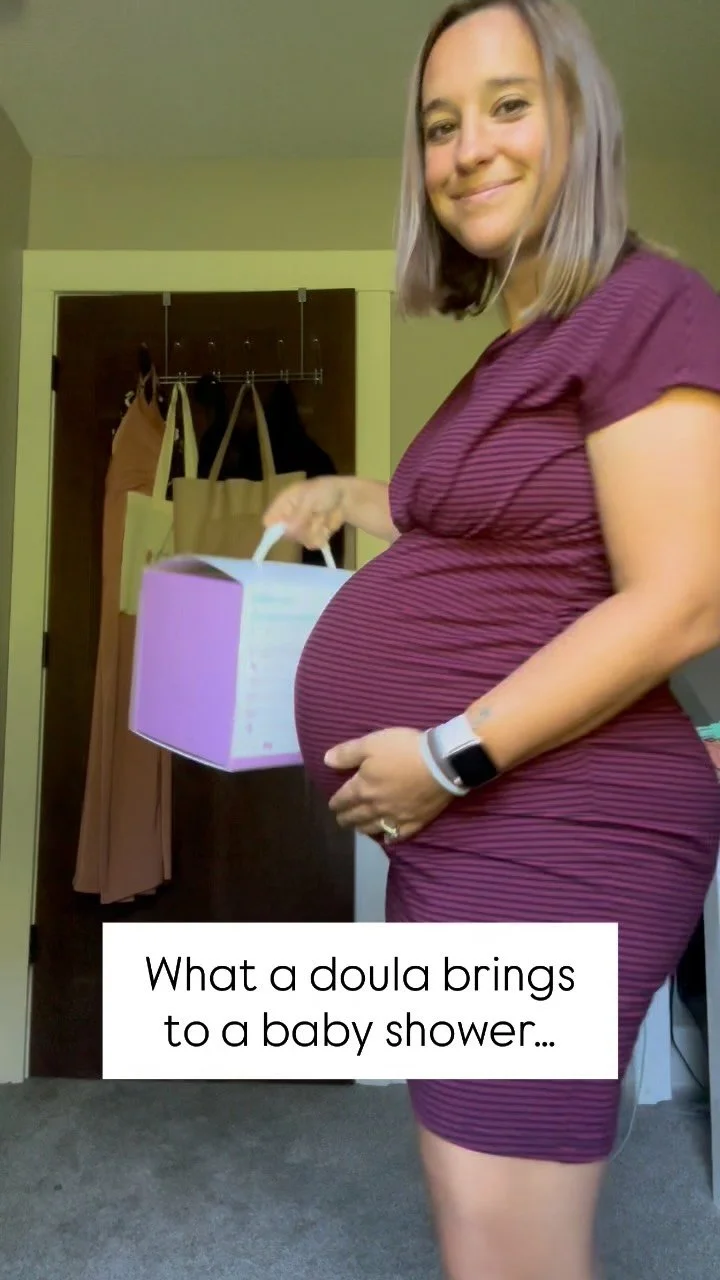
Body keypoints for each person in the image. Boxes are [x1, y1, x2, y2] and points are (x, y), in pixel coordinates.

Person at [263, 2, 720, 1276]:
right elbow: (497, 527)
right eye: (439, 124)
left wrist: (447, 755)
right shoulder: (521, 345)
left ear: (579, 119)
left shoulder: (649, 304)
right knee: (473, 1201)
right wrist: (354, 497)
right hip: (467, 827)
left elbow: (685, 597)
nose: (468, 148)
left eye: (508, 106)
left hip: (557, 823)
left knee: (508, 1234)